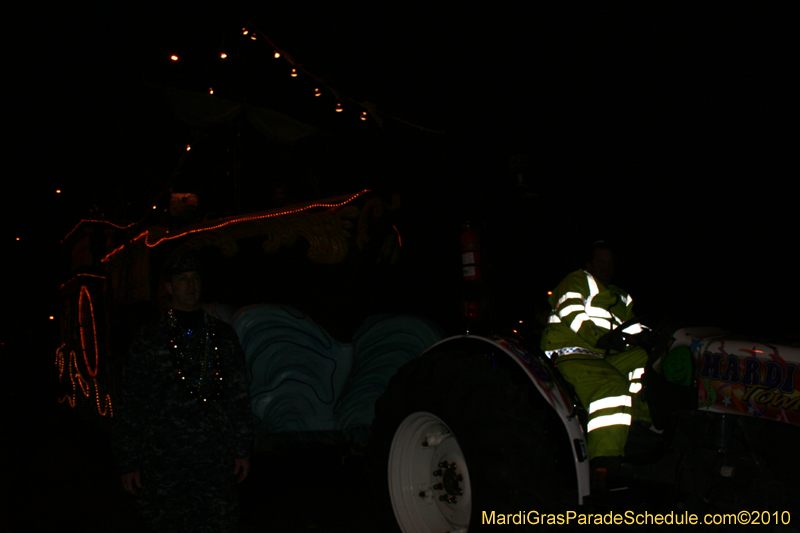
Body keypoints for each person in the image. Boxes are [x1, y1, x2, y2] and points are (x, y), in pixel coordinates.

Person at [113, 253, 253, 532]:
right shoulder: (150, 338)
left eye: (195, 278)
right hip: (165, 462)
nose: (190, 285)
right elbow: (131, 401)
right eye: (182, 279)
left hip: (214, 458)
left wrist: (242, 449)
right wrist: (129, 461)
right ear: (169, 288)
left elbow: (238, 394)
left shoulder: (222, 335)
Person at [540, 242, 650, 487]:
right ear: (589, 264)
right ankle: (604, 462)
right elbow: (570, 309)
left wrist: (646, 339)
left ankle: (641, 425)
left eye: (610, 263)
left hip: (605, 355)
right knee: (611, 387)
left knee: (649, 362)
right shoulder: (577, 280)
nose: (606, 267)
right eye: (600, 261)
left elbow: (631, 328)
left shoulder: (622, 296)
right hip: (572, 350)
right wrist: (596, 337)